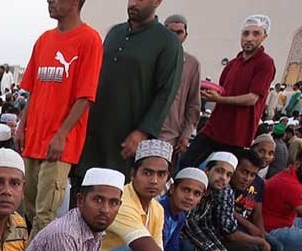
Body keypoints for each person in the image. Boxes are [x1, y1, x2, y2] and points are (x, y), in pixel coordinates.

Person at [16, 0, 103, 233]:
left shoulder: (89, 39)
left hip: (59, 145)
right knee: (27, 209)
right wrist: (21, 126)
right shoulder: (44, 40)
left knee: (44, 215)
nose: (50, 2)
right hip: (33, 139)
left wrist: (62, 135)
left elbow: (85, 97)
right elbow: (33, 89)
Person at [78, 0, 182, 176]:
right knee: (85, 189)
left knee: (114, 194)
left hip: (126, 142)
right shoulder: (114, 33)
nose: (133, 3)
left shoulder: (168, 42)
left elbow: (166, 92)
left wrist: (142, 132)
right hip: (93, 134)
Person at [101, 138, 195, 251]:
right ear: (133, 174)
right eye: (147, 173)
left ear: (168, 178)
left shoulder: (157, 209)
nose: (154, 181)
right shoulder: (120, 201)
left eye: (161, 175)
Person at [179, 15, 275, 168]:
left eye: (256, 33)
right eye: (246, 33)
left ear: (264, 36)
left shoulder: (265, 63)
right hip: (214, 128)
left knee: (222, 176)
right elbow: (222, 91)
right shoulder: (232, 64)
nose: (249, 38)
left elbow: (252, 98)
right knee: (186, 163)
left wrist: (219, 100)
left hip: (237, 135)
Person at [184, 152, 254, 251]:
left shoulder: (212, 193)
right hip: (179, 238)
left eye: (228, 175)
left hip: (196, 239)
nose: (223, 178)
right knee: (189, 248)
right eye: (219, 171)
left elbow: (205, 226)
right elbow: (188, 223)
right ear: (206, 170)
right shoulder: (194, 188)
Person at [160, 14, 201, 165]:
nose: (175, 36)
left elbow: (193, 104)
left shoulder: (191, 64)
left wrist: (186, 134)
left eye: (179, 32)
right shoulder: (153, 57)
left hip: (171, 134)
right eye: (170, 32)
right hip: (144, 130)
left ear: (185, 35)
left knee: (160, 178)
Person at [229, 147, 271, 251]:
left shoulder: (259, 183)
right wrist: (250, 226)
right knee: (248, 249)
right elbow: (227, 213)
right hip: (231, 229)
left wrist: (261, 234)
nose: (247, 178)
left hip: (245, 229)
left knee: (275, 246)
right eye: (244, 172)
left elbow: (258, 213)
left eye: (252, 174)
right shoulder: (227, 185)